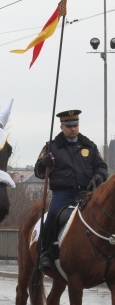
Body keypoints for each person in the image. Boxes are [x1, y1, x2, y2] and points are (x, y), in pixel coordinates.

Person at [35, 109, 108, 270]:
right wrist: (43, 163)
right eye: (69, 126)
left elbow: (102, 166)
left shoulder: (89, 146)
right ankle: (45, 252)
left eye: (75, 125)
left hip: (88, 192)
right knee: (52, 214)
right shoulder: (51, 147)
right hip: (64, 193)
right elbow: (38, 172)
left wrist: (99, 176)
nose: (73, 128)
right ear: (62, 127)